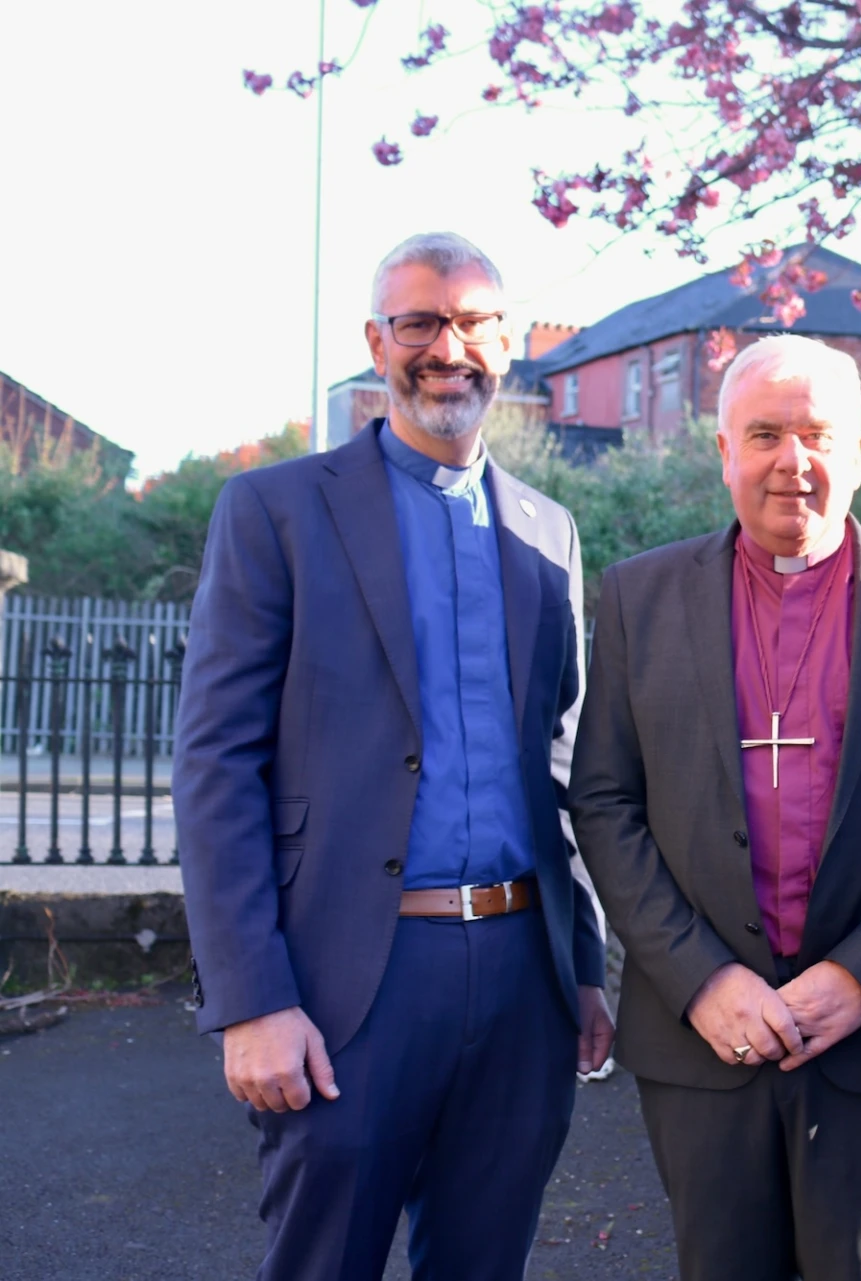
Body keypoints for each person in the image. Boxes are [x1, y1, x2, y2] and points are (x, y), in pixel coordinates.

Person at [174, 232, 613, 1280]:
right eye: (419, 322)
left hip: (520, 980)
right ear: (378, 341)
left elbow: (561, 763)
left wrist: (584, 969)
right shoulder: (275, 511)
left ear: (508, 347)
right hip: (341, 986)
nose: (445, 347)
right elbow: (215, 765)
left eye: (471, 323)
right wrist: (251, 999)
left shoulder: (549, 533)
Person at [568, 333, 861, 1281]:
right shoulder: (641, 597)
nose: (793, 462)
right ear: (723, 451)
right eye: (765, 434)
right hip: (703, 1034)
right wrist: (703, 979)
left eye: (818, 435)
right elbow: (604, 798)